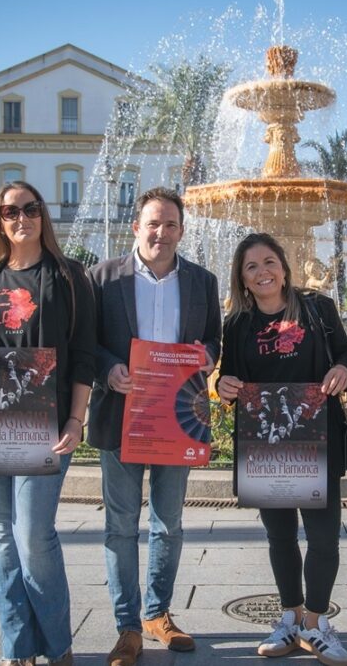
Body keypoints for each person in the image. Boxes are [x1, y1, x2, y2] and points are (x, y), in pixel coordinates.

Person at [0, 181, 96, 666]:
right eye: (11, 211)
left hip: (47, 423)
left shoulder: (69, 277)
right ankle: (17, 648)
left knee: (33, 535)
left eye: (30, 209)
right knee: (1, 536)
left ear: (43, 216)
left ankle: (57, 646)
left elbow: (83, 355)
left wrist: (77, 419)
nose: (21, 217)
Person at [86, 186, 221, 666]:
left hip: (178, 420)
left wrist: (205, 356)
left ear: (181, 231)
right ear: (136, 227)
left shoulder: (203, 282)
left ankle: (157, 614)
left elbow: (213, 342)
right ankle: (127, 627)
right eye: (153, 223)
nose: (161, 232)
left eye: (170, 224)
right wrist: (108, 369)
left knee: (170, 523)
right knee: (120, 526)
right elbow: (87, 343)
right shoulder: (102, 278)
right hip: (120, 416)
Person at [216, 233, 347, 666]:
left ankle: (316, 624)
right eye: (251, 267)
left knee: (322, 537)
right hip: (266, 445)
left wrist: (341, 370)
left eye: (269, 262)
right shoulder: (237, 325)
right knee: (279, 536)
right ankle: (290, 617)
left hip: (317, 439)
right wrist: (224, 386)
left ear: (284, 266)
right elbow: (230, 380)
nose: (263, 272)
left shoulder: (317, 309)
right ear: (241, 278)